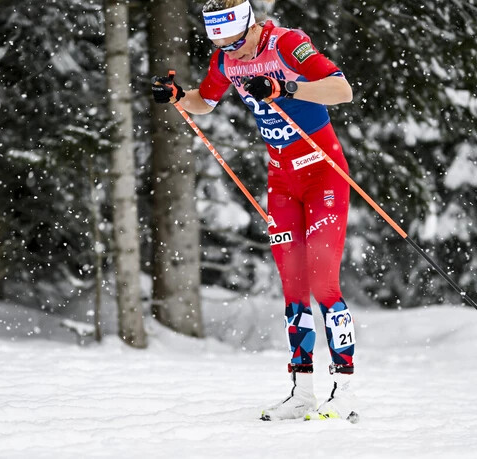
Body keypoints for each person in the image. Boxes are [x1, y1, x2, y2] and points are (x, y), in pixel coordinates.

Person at [151, 0, 358, 422]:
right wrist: (177, 97)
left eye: (237, 43)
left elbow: (342, 89)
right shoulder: (226, 59)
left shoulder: (288, 45)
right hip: (282, 179)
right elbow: (205, 101)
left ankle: (345, 391)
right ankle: (302, 393)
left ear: (250, 26)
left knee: (322, 281)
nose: (233, 53)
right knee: (294, 285)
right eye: (221, 44)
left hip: (322, 173)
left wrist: (287, 88)